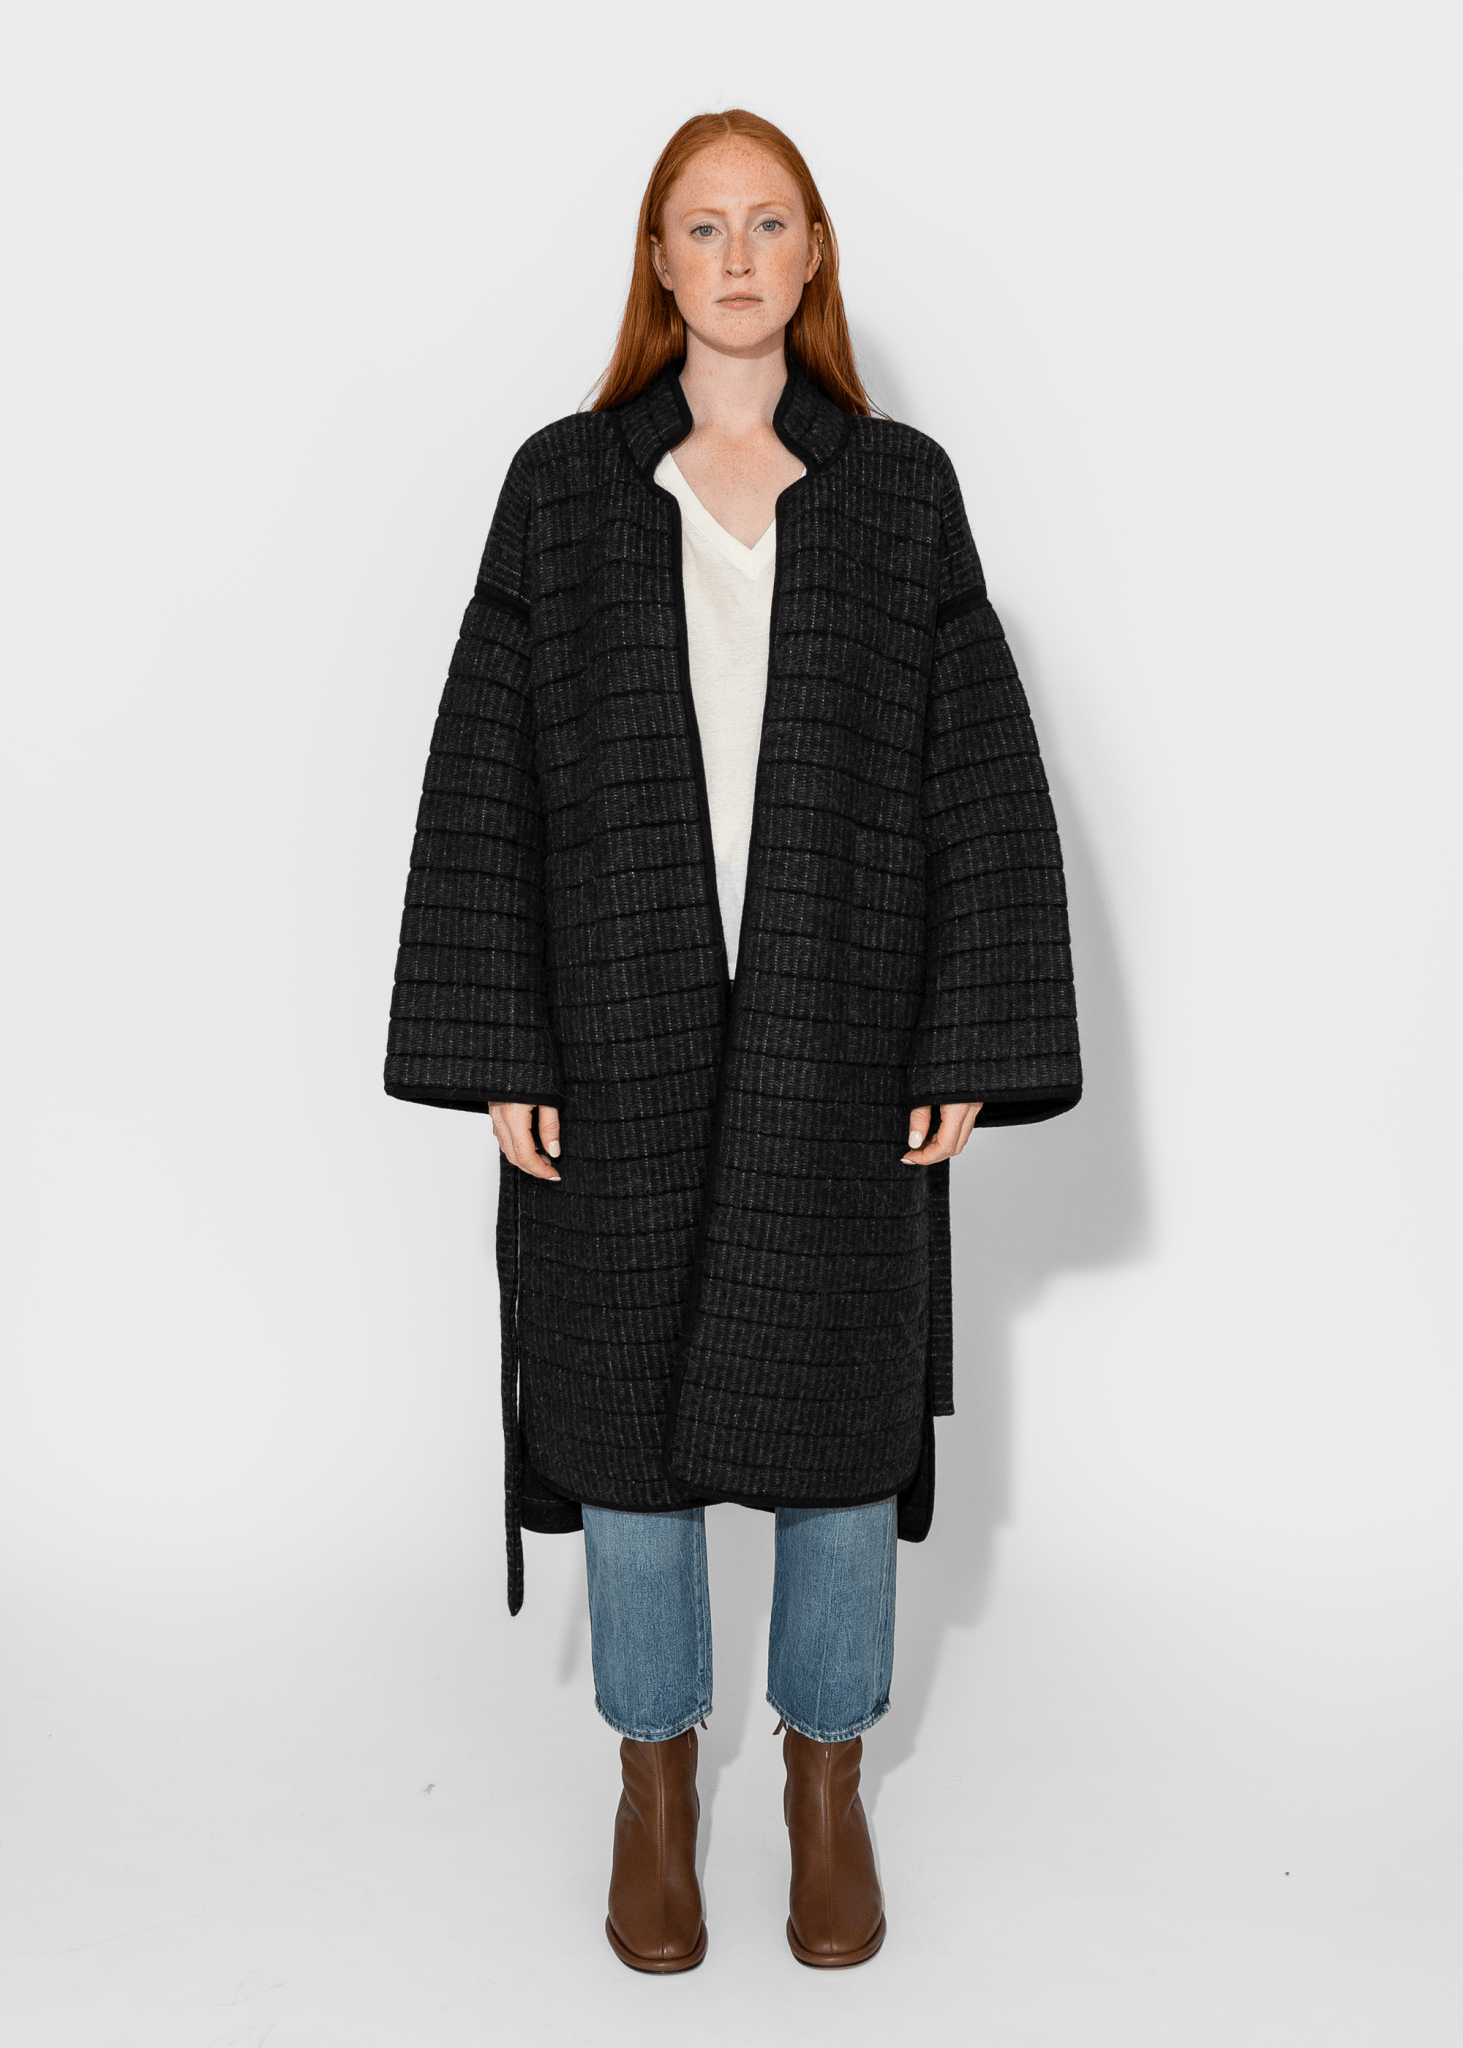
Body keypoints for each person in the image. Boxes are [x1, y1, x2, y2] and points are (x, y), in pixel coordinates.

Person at [383, 108, 1081, 1972]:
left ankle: (825, 1784)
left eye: (770, 223)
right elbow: (484, 779)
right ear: (659, 261)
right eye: (703, 227)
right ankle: (654, 1783)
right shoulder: (560, 488)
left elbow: (977, 781)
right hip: (612, 1028)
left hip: (840, 1026)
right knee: (621, 1417)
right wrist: (506, 1043)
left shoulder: (901, 491)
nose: (739, 257)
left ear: (813, 253)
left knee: (838, 1416)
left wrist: (962, 1034)